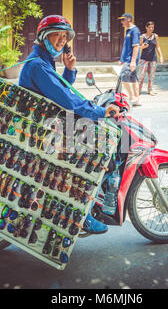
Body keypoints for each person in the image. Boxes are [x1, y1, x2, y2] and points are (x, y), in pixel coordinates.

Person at [19, 15, 119, 234]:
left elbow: (60, 92)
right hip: (41, 132)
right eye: (58, 35)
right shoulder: (38, 66)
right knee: (89, 158)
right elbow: (67, 101)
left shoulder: (44, 62)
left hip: (45, 125)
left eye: (65, 37)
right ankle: (81, 215)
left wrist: (70, 69)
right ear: (44, 35)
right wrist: (100, 111)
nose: (62, 41)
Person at [118, 13, 142, 106]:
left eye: (123, 20)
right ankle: (137, 100)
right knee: (133, 79)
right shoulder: (128, 30)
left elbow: (136, 47)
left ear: (129, 19)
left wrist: (133, 61)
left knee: (123, 78)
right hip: (127, 59)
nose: (121, 22)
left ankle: (132, 98)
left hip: (130, 60)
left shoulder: (134, 31)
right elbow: (127, 47)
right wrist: (122, 59)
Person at [138, 21, 164, 96]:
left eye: (152, 27)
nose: (151, 29)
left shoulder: (155, 36)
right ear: (146, 27)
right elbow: (138, 47)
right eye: (149, 27)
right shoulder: (142, 37)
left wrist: (161, 56)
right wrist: (143, 46)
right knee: (141, 75)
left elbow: (158, 46)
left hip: (153, 58)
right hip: (144, 58)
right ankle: (138, 90)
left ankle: (150, 90)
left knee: (151, 75)